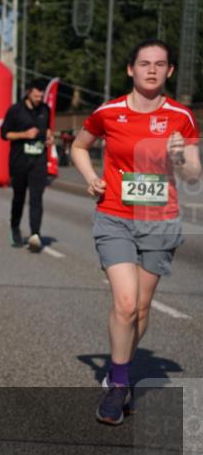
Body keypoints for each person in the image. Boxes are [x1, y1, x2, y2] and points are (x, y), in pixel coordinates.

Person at [69, 39, 199, 425]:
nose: (152, 70)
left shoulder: (181, 117)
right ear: (131, 69)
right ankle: (119, 385)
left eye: (160, 64)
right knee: (125, 303)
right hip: (115, 216)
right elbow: (79, 146)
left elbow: (193, 173)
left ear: (170, 71)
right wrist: (92, 178)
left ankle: (117, 366)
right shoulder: (109, 112)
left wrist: (180, 156)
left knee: (140, 309)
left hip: (159, 221)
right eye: (144, 63)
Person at [0, 79, 54, 251]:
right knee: (19, 197)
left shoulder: (45, 109)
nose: (39, 97)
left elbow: (47, 129)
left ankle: (35, 235)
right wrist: (24, 134)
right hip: (19, 160)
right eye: (36, 93)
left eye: (41, 94)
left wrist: (49, 137)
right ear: (29, 92)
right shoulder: (15, 110)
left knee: (36, 198)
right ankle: (15, 227)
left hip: (38, 160)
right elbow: (4, 134)